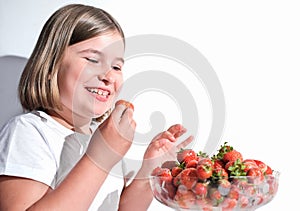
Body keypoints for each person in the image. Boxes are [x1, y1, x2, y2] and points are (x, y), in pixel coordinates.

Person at [0, 4, 193, 211]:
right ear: (51, 66)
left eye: (117, 67)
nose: (108, 76)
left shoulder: (100, 138)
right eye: (93, 60)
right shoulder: (29, 131)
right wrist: (99, 159)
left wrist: (149, 172)